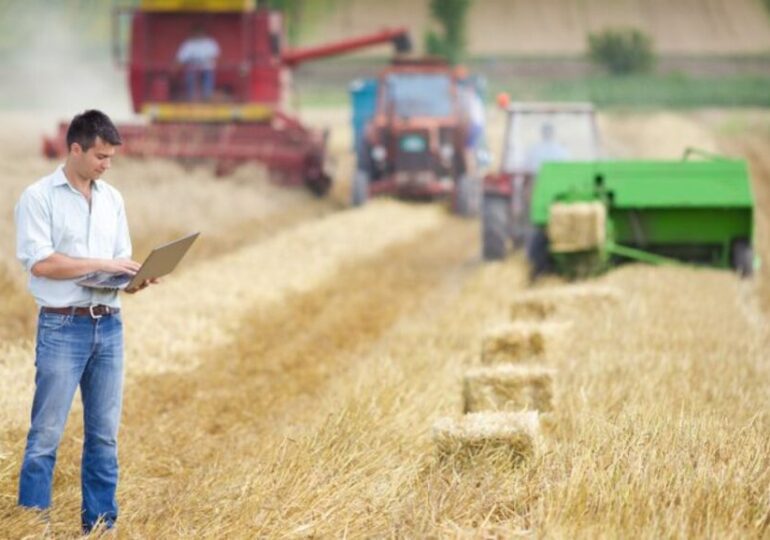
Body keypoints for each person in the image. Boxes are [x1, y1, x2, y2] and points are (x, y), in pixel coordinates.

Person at [15, 110, 155, 534]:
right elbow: (41, 264)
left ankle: (100, 524)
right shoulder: (38, 198)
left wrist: (136, 280)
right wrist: (103, 263)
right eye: (99, 156)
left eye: (111, 157)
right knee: (45, 436)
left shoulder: (113, 200)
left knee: (104, 436)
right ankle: (33, 526)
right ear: (74, 149)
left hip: (109, 324)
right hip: (62, 327)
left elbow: (117, 267)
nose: (106, 165)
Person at [176, 25, 220, 101]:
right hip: (193, 69)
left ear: (203, 33)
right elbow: (181, 58)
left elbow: (216, 56)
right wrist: (176, 68)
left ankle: (207, 96)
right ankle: (191, 97)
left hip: (207, 68)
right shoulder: (188, 44)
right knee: (190, 76)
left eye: (200, 32)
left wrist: (207, 61)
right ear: (193, 33)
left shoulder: (209, 43)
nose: (198, 34)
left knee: (208, 75)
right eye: (196, 33)